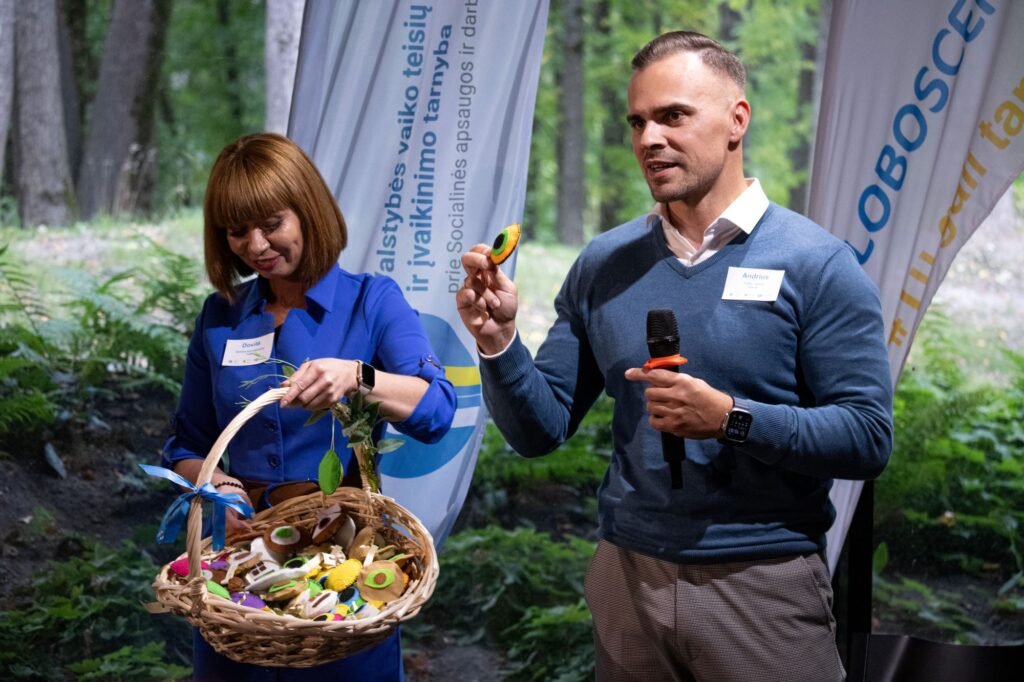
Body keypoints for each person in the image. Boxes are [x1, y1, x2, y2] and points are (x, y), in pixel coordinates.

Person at [456, 31, 892, 682]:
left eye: (673, 116)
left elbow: (867, 438)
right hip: (626, 576)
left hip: (761, 582)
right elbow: (539, 430)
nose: (649, 139)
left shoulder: (818, 264)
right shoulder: (604, 264)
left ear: (737, 120)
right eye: (638, 122)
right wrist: (498, 341)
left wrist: (730, 419)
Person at [161, 132, 456, 681]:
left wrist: (358, 377)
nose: (255, 245)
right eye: (237, 231)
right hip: (239, 577)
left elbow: (437, 410)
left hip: (342, 571)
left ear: (308, 210)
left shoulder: (371, 301)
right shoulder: (220, 316)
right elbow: (186, 444)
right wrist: (217, 485)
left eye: (271, 223)